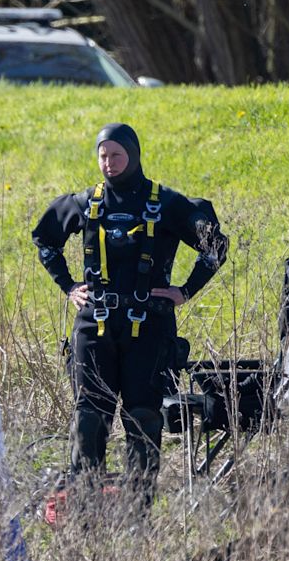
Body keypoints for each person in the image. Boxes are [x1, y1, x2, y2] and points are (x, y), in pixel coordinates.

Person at [32, 123, 227, 502]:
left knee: (143, 417)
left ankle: (137, 511)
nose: (109, 163)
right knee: (89, 417)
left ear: (134, 155)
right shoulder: (85, 202)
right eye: (103, 156)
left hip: (149, 328)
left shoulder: (167, 203)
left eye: (116, 155)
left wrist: (185, 291)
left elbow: (215, 245)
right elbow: (45, 241)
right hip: (94, 327)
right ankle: (87, 508)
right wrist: (69, 286)